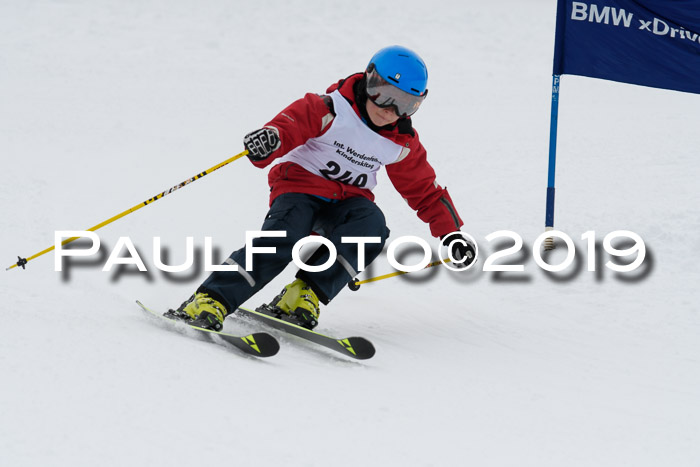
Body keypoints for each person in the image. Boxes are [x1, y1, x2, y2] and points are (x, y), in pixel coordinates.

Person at [168, 45, 476, 331]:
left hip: (348, 203)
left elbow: (424, 189)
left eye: (405, 104)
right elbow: (289, 126)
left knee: (372, 226)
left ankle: (302, 295)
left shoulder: (400, 141)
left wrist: (451, 232)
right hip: (300, 188)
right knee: (284, 237)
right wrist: (269, 139)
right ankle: (210, 300)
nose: (389, 110)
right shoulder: (329, 108)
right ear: (370, 79)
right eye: (383, 94)